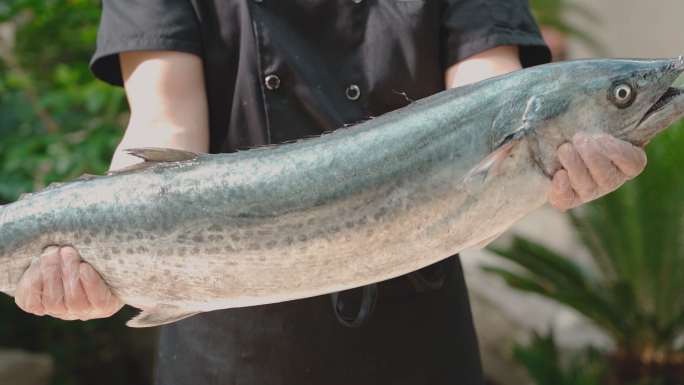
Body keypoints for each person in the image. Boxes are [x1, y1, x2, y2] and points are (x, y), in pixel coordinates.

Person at [13, 1, 648, 384]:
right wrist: (102, 265)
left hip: (416, 350)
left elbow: (494, 106)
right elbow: (163, 129)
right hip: (228, 353)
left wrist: (557, 168)